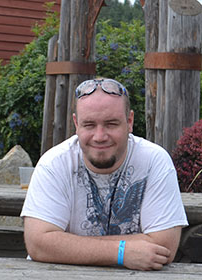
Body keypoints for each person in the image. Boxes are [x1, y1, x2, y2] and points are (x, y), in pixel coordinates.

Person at [21, 78, 188, 271]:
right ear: (76, 124)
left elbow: (164, 246)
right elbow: (38, 243)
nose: (100, 136)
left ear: (130, 121)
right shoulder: (54, 163)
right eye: (89, 125)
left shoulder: (154, 161)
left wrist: (66, 245)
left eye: (111, 124)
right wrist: (121, 252)